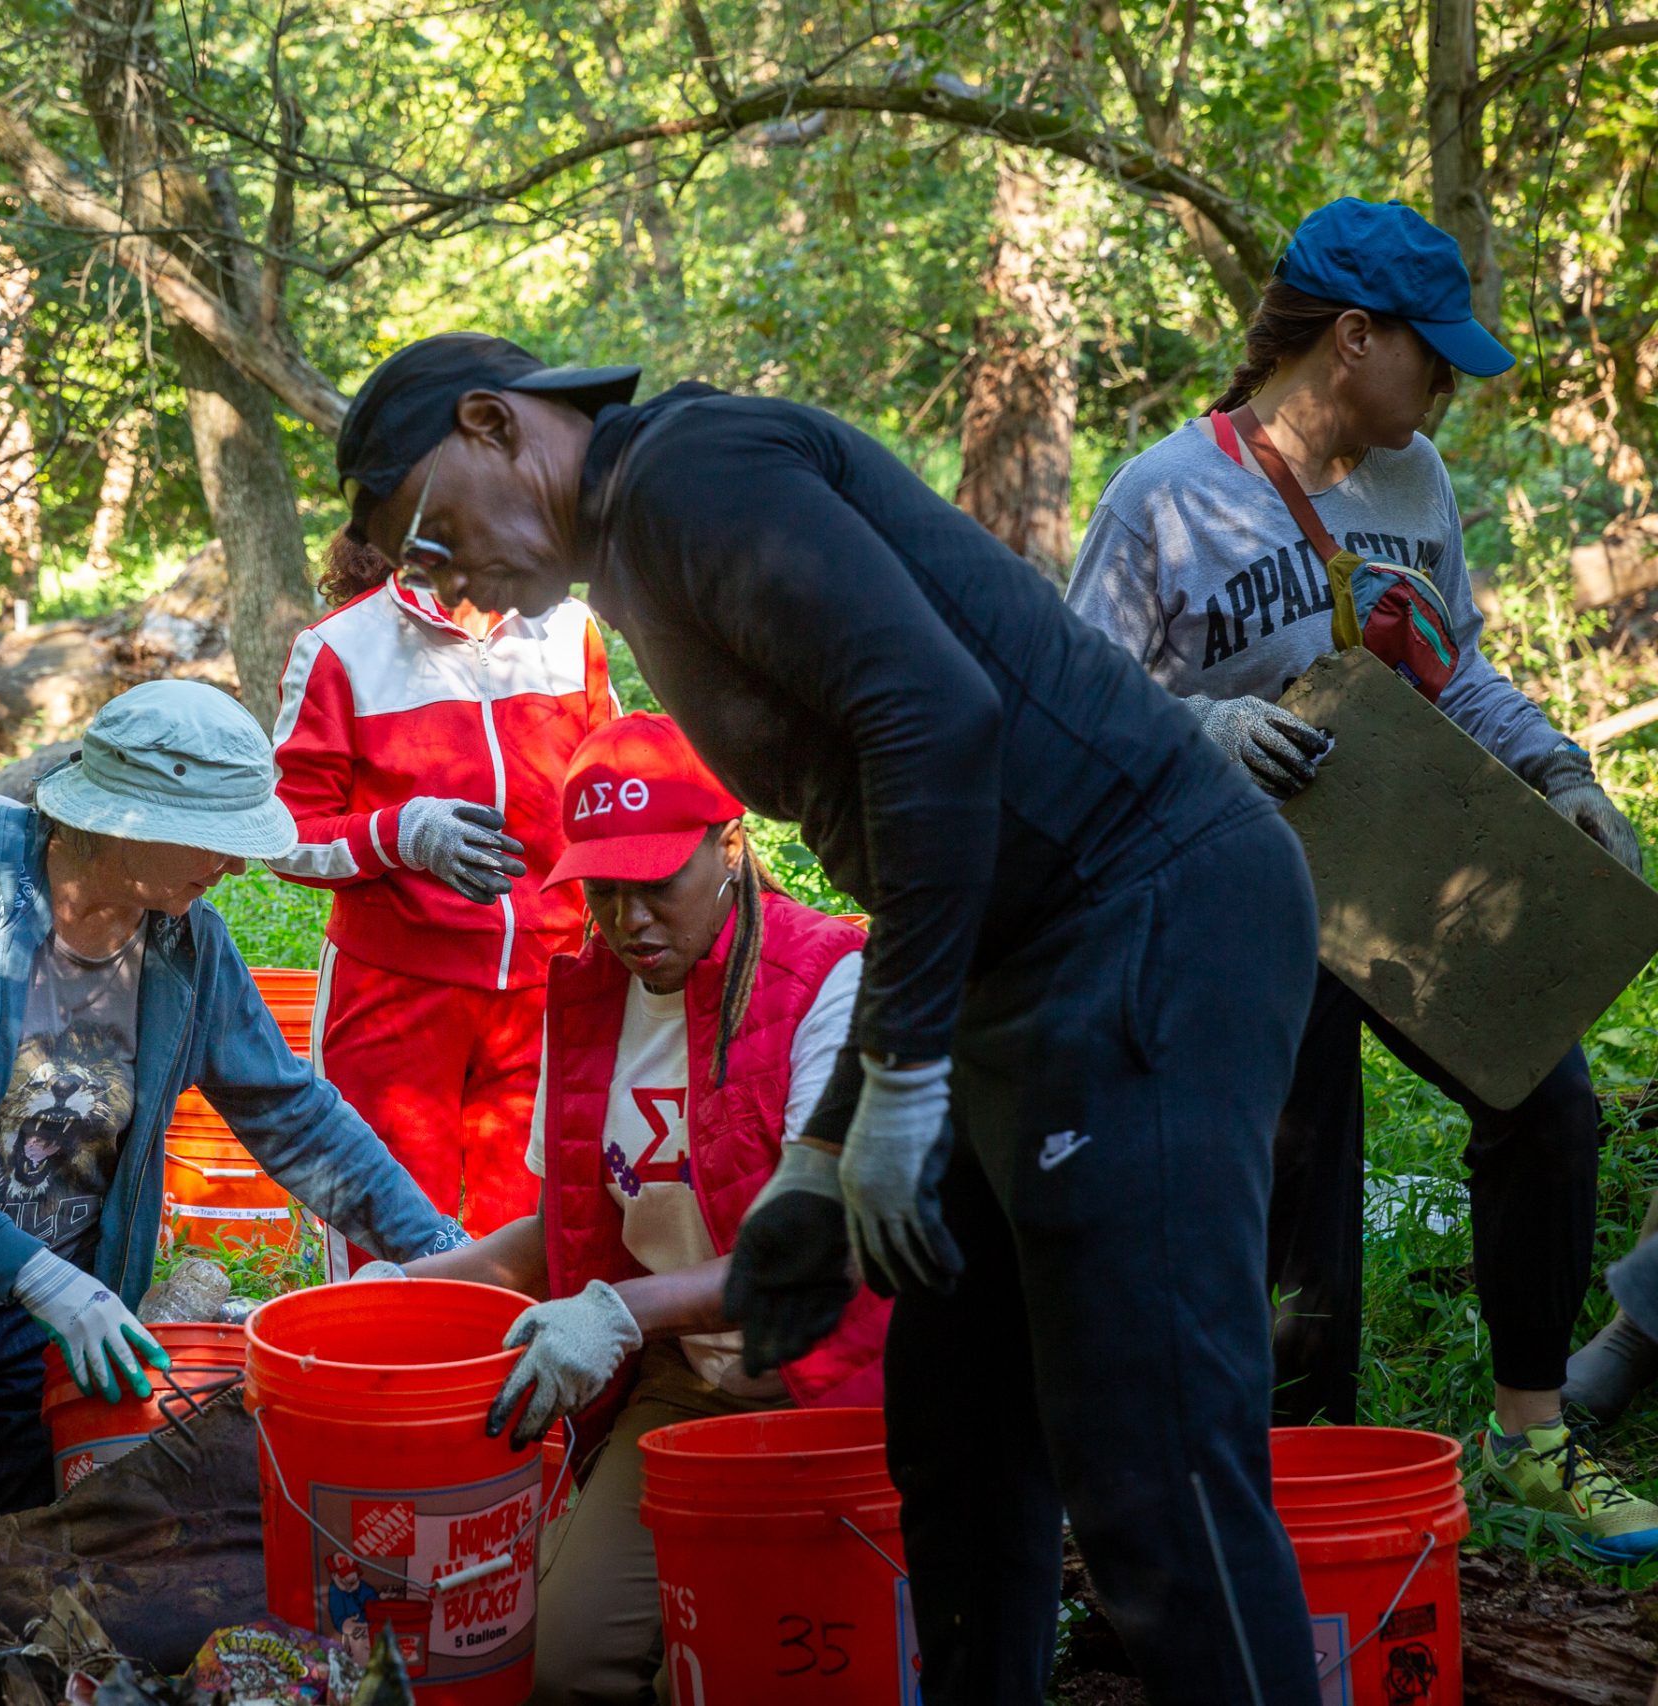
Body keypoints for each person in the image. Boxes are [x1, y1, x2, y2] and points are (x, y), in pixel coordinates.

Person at [329, 330, 1324, 1701]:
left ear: (497, 424)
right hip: (1011, 955)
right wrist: (821, 1157)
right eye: (410, 566)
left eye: (427, 530)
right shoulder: (638, 554)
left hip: (1146, 910)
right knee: (959, 1424)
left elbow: (937, 718)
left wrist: (902, 1078)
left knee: (1153, 1458)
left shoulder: (683, 471)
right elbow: (916, 843)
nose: (442, 577)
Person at [1065, 197, 1655, 1557]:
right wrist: (1204, 727)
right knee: (1300, 1180)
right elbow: (1077, 700)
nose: (1445, 386)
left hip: (1407, 866)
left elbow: (1456, 659)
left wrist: (1561, 769)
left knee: (1550, 1099)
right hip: (1238, 887)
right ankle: (1309, 1482)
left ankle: (1532, 1435)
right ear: (1349, 338)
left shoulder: (1414, 484)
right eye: (1429, 356)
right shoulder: (1164, 493)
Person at [0, 681, 469, 1579]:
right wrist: (38, 1273)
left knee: (13, 1564)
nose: (235, 868)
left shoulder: (187, 944)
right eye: (217, 842)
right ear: (126, 823)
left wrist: (442, 1251)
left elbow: (291, 1113)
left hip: (27, 1319)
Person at [396, 713, 889, 1706]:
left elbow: (810, 1247)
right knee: (560, 1665)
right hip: (683, 1386)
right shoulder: (585, 1000)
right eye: (602, 888)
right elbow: (561, 1229)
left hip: (832, 1383)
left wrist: (621, 1313)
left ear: (731, 845)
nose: (627, 920)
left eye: (656, 881)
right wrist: (402, 1292)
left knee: (750, 1668)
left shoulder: (827, 980)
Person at [267, 513, 615, 1270]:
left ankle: (505, 1389)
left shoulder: (570, 629)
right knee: (385, 1239)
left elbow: (606, 787)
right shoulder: (340, 648)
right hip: (394, 995)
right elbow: (280, 835)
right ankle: (375, 1384)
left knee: (522, 1245)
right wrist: (400, 833)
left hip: (546, 987)